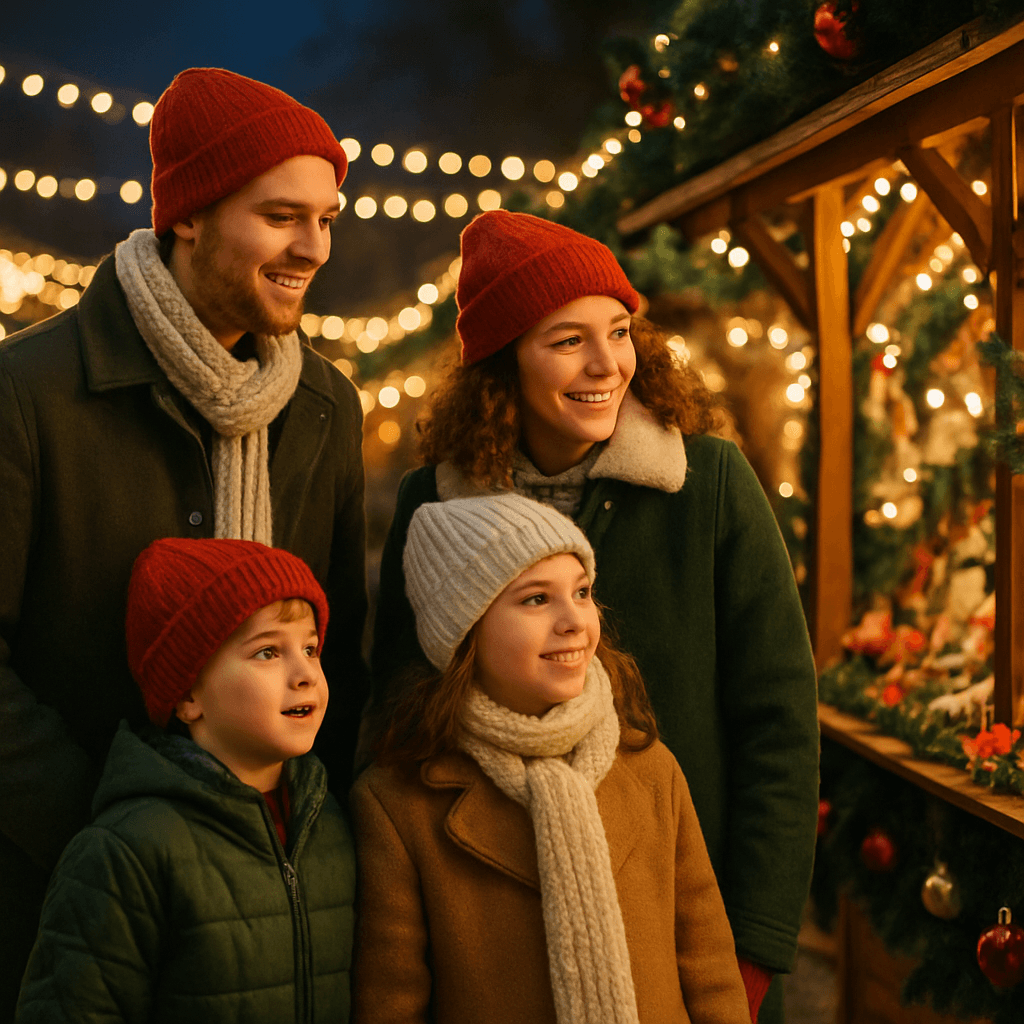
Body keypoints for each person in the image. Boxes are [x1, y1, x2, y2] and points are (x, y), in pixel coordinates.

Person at [369, 211, 819, 1024]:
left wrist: (752, 943)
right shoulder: (434, 505)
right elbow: (399, 715)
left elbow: (780, 723)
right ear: (503, 363)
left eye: (619, 330)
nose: (608, 363)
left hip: (690, 932)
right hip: (489, 942)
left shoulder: (707, 482)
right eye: (567, 339)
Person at [0, 67, 367, 1016]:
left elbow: (346, 651)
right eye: (283, 216)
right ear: (191, 212)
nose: (313, 248)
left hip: (269, 916)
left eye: (327, 219)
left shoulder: (325, 406)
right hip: (57, 904)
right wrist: (107, 837)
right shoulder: (29, 394)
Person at [353, 493, 751, 1024]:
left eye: (582, 592)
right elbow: (391, 1005)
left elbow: (709, 970)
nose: (573, 620)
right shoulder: (398, 804)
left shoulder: (649, 766)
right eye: (536, 599)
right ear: (464, 631)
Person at [17, 537, 355, 1024]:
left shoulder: (330, 823)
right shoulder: (129, 850)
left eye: (310, 647)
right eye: (267, 653)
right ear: (188, 695)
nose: (304, 673)